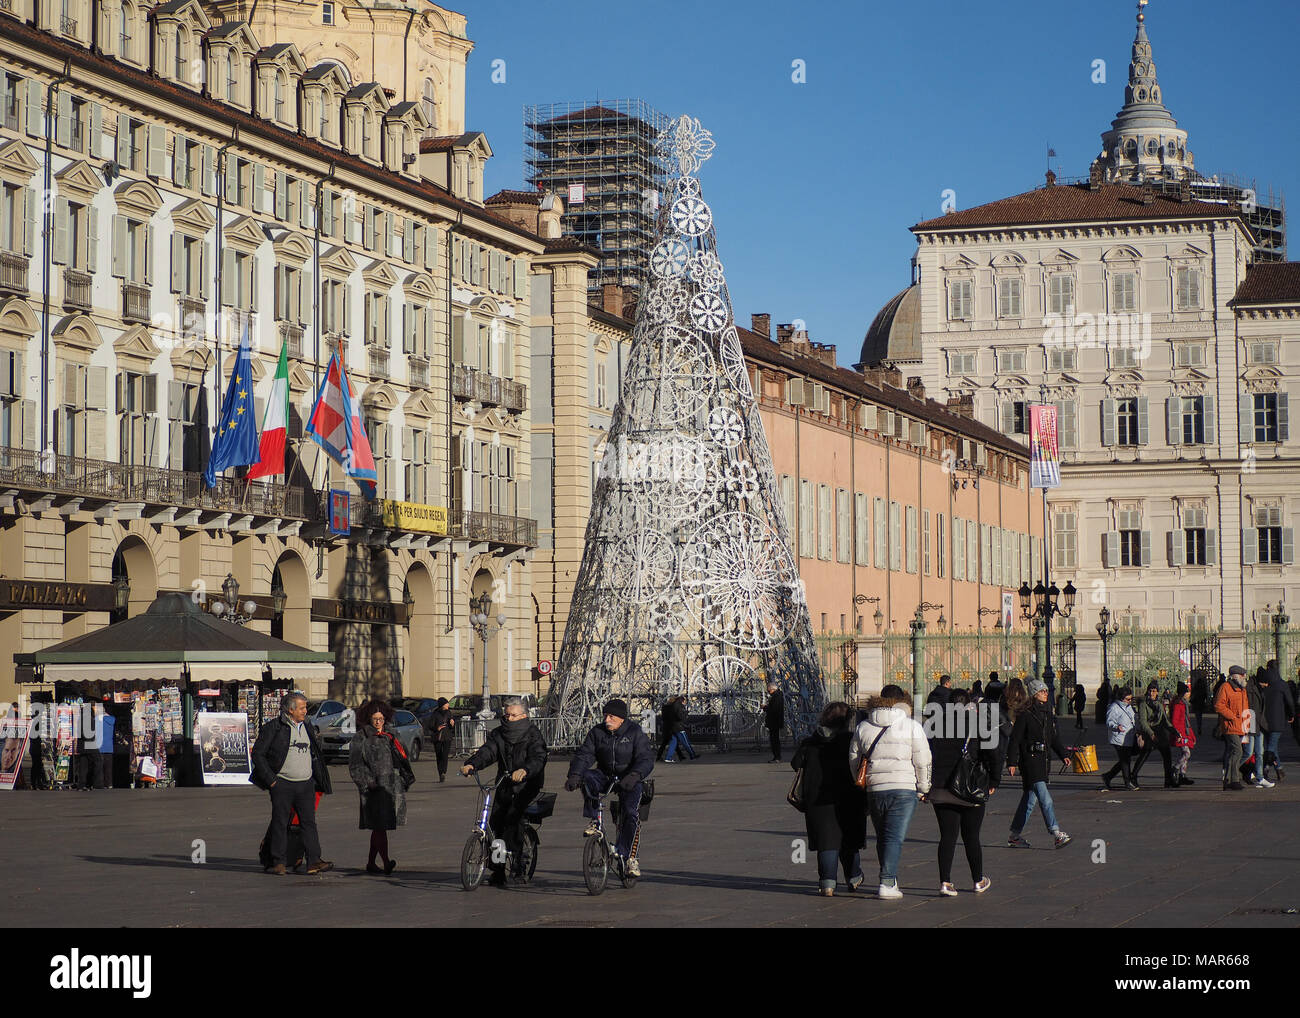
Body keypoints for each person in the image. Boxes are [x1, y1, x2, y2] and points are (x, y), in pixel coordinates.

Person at [849, 684, 931, 899]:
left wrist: (863, 781)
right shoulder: (912, 726)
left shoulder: (864, 726)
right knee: (894, 837)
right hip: (904, 787)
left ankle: (890, 878)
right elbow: (922, 760)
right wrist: (923, 787)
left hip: (875, 787)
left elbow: (854, 759)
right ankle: (886, 883)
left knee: (883, 836)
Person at [462, 698, 548, 886]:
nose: (508, 718)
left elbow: (539, 757)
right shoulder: (499, 734)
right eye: (506, 714)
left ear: (524, 716)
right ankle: (498, 870)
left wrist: (525, 770)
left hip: (527, 784)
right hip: (505, 783)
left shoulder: (532, 734)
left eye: (513, 715)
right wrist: (471, 764)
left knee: (513, 819)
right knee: (495, 823)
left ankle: (518, 865)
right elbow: (488, 752)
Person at [564, 699, 654, 878]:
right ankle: (594, 819)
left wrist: (635, 775)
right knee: (587, 777)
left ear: (621, 718)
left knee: (630, 813)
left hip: (629, 778)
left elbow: (646, 758)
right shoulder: (597, 733)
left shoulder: (635, 732)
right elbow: (585, 755)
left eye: (611, 716)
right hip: (605, 775)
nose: (607, 719)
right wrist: (574, 775)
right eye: (605, 715)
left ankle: (628, 857)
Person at [250, 691, 333, 875]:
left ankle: (313, 860)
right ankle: (277, 862)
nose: (305, 711)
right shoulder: (275, 727)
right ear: (290, 710)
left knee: (308, 823)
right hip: (282, 784)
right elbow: (258, 754)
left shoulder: (307, 726)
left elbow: (315, 754)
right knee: (280, 822)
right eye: (302, 708)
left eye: (305, 707)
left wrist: (317, 779)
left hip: (305, 784)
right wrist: (271, 780)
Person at [927, 689, 998, 895]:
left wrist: (925, 786)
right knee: (972, 836)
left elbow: (927, 755)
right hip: (970, 787)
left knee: (947, 836)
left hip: (941, 788)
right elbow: (991, 754)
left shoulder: (935, 724)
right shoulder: (979, 724)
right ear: (968, 704)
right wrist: (994, 780)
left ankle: (945, 882)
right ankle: (978, 880)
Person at [791, 701, 865, 896]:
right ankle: (854, 877)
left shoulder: (810, 742)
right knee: (849, 838)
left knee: (826, 841)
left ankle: (827, 883)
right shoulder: (850, 740)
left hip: (817, 798)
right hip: (849, 796)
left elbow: (795, 763)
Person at [349, 700, 414, 876]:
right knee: (380, 827)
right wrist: (368, 783)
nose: (378, 722)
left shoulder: (391, 734)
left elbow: (403, 756)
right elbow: (355, 766)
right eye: (375, 718)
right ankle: (386, 862)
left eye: (381, 718)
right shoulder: (360, 737)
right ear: (368, 718)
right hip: (373, 790)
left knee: (380, 827)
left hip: (391, 787)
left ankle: (371, 863)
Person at [1006, 679, 1072, 849]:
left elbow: (1053, 737)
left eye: (1046, 691)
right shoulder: (1026, 714)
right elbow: (1015, 739)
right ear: (1035, 694)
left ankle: (1015, 835)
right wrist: (1012, 761)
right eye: (1042, 691)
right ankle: (1056, 833)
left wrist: (1063, 754)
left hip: (1044, 761)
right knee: (1046, 799)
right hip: (1030, 760)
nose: (1046, 693)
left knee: (1029, 801)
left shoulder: (1048, 713)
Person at [1133, 681, 1177, 789]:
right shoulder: (1144, 703)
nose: (1152, 693)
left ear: (1157, 692)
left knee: (1167, 755)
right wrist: (1151, 734)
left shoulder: (1159, 704)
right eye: (1150, 691)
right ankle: (1133, 776)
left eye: (1154, 691)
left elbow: (1165, 720)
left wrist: (1174, 731)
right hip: (1149, 731)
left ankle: (1168, 780)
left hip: (1160, 731)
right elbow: (1143, 721)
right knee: (1145, 754)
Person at [1214, 666, 1250, 791]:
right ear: (1235, 676)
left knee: (1232, 753)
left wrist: (1246, 725)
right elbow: (1219, 705)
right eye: (1242, 675)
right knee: (1237, 751)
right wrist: (1232, 717)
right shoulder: (1225, 687)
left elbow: (1245, 709)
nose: (1245, 677)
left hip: (1240, 726)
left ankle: (1228, 780)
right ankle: (1234, 780)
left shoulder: (1242, 690)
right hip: (1230, 726)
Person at [1258, 663, 1295, 782]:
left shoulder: (1263, 683)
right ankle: (1266, 769)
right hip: (1278, 721)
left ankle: (1279, 769)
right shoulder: (1282, 684)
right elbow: (1289, 701)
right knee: (1271, 747)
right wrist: (1291, 714)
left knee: (1271, 747)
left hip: (1264, 720)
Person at [1102, 686, 1139, 791]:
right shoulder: (1114, 707)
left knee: (1125, 759)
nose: (1130, 701)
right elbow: (1109, 722)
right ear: (1121, 698)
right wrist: (1116, 727)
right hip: (1118, 738)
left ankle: (1108, 776)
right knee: (1125, 760)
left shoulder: (1129, 707)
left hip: (1129, 737)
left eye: (1131, 699)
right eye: (1128, 699)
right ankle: (1127, 782)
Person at [1242, 668, 1271, 787]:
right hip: (1251, 724)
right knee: (1248, 752)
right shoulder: (1249, 689)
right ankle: (1231, 770)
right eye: (1265, 682)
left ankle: (1260, 777)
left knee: (1260, 752)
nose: (1267, 684)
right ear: (1261, 681)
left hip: (1259, 724)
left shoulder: (1259, 689)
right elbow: (1246, 708)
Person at [1170, 682, 1196, 786]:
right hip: (1180, 733)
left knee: (1185, 753)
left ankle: (1182, 775)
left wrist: (1191, 735)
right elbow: (1175, 720)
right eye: (1187, 692)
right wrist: (1178, 734)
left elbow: (1187, 721)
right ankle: (1176, 769)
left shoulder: (1183, 703)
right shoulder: (1178, 704)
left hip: (1185, 732)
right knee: (1186, 753)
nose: (1188, 694)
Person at [425, 697, 455, 783]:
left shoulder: (449, 713)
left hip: (447, 737)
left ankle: (443, 772)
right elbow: (430, 725)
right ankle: (440, 773)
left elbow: (451, 726)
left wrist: (452, 724)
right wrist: (436, 728)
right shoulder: (435, 714)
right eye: (446, 703)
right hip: (437, 738)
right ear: (442, 705)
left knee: (445, 755)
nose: (448, 705)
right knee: (439, 755)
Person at [663, 693, 698, 762]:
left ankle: (668, 757)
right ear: (682, 700)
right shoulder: (679, 706)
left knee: (673, 742)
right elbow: (680, 716)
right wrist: (685, 714)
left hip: (671, 727)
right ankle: (692, 755)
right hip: (678, 727)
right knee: (685, 742)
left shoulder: (670, 706)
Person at [764, 684, 784, 762]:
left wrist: (765, 707)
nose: (769, 692)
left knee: (774, 740)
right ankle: (776, 757)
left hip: (774, 722)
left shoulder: (776, 697)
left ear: (772, 689)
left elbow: (773, 709)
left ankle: (777, 757)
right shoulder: (778, 696)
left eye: (769, 690)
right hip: (775, 722)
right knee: (775, 740)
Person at [1190, 671, 1209, 735]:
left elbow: (1193, 693)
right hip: (1201, 702)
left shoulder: (1196, 685)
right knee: (1199, 716)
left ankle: (1199, 727)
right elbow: (1205, 694)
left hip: (1196, 702)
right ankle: (1199, 727)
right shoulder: (1203, 685)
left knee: (1198, 716)